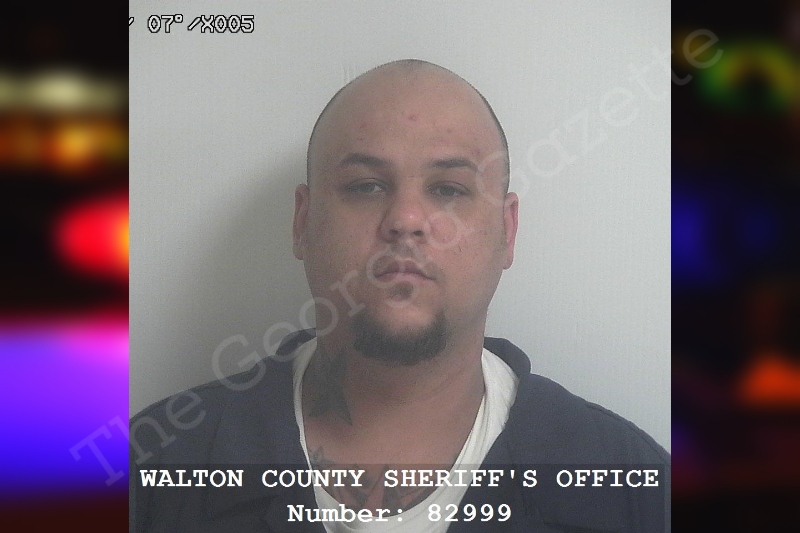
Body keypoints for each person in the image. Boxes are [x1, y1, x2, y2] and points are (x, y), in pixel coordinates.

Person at [130, 59, 669, 532]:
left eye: (449, 189)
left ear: (507, 232)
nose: (406, 219)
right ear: (302, 222)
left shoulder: (638, 494)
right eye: (365, 186)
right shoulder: (149, 470)